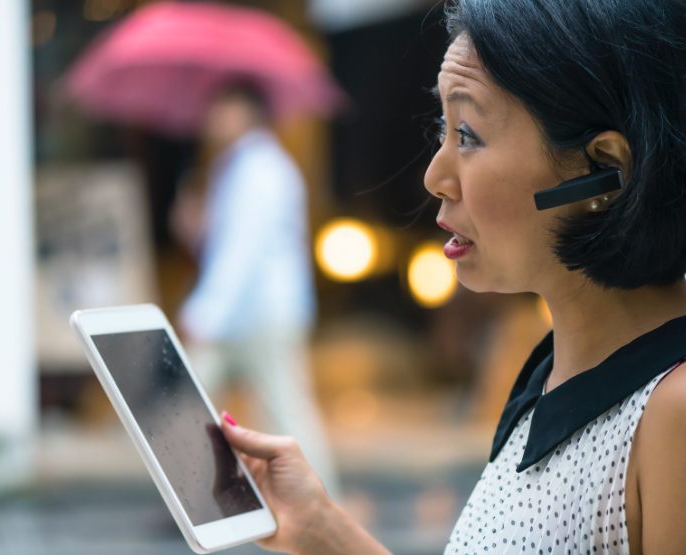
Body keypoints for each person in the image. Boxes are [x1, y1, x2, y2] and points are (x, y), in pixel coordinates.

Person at [216, 0, 686, 553]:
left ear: (603, 168)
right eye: (444, 129)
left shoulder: (672, 415)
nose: (436, 176)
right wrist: (320, 529)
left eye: (468, 135)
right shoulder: (548, 375)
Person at [171, 81, 340, 496]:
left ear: (245, 112)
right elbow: (229, 245)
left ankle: (320, 500)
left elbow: (242, 251)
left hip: (259, 314)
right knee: (196, 400)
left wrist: (204, 312)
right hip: (245, 315)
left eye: (221, 108)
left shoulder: (260, 169)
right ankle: (198, 493)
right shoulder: (239, 167)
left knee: (283, 410)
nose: (212, 119)